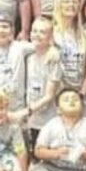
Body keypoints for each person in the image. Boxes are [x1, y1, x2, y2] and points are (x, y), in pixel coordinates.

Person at [24, 18, 62, 147]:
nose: (37, 34)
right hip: (31, 117)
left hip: (48, 117)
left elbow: (49, 96)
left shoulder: (54, 59)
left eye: (42, 32)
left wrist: (26, 111)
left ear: (50, 36)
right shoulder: (28, 57)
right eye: (34, 31)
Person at [52, 0, 86, 101]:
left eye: (74, 2)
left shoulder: (85, 34)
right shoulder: (51, 33)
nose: (71, 5)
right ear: (58, 5)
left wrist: (81, 94)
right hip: (56, 94)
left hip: (78, 94)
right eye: (66, 2)